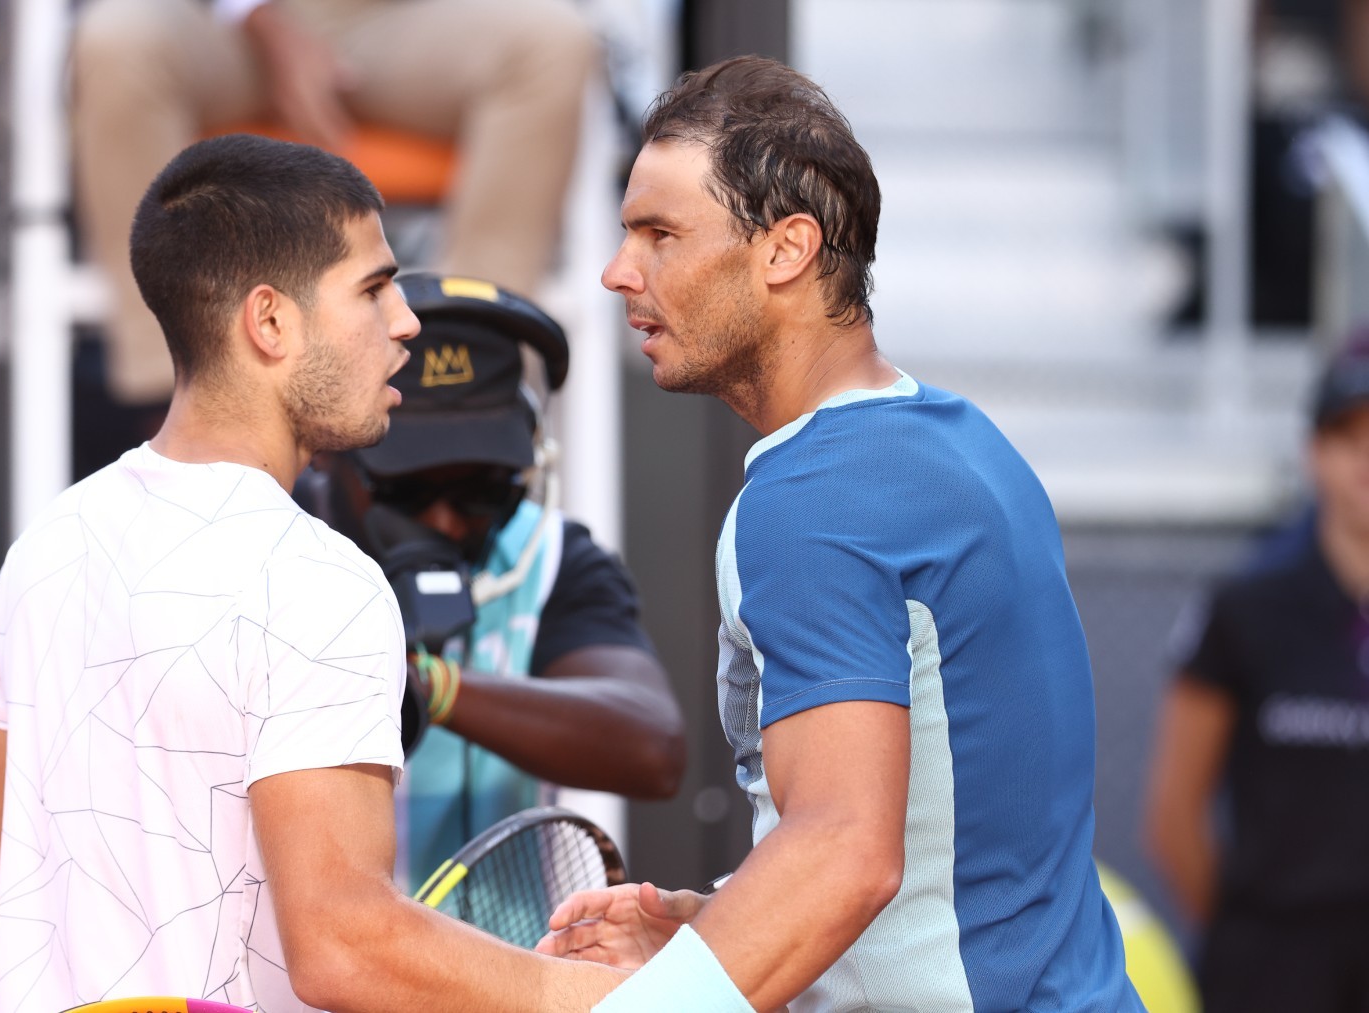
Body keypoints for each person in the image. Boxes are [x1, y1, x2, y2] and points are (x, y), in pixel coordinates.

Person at [0, 134, 623, 1012]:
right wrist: (618, 997)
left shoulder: (47, 545)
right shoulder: (317, 581)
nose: (408, 321)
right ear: (270, 321)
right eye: (374, 288)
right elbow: (344, 945)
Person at [535, 57, 1142, 1011]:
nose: (620, 272)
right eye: (624, 235)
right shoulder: (964, 442)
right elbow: (957, 844)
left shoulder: (813, 497)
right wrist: (718, 926)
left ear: (786, 250)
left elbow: (847, 854)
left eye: (659, 234)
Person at [301, 272, 684, 886]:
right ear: (333, 449)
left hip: (501, 968)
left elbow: (653, 747)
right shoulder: (272, 546)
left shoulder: (553, 557)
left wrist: (430, 687)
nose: (447, 520)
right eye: (408, 491)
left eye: (483, 490)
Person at [70, 0, 598, 407]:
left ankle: (468, 381)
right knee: (117, 41)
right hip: (227, 26)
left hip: (411, 23)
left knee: (554, 42)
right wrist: (261, 19)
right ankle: (184, 395)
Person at [1144, 340, 1369, 1012]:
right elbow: (1174, 814)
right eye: (1348, 436)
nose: (1366, 460)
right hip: (1274, 963)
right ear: (1313, 454)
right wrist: (1253, 939)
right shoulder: (1245, 608)